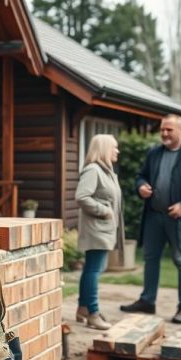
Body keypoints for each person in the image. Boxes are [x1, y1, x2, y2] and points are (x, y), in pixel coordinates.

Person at [120, 114, 181, 324]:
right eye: (162, 129)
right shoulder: (154, 153)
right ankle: (147, 301)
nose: (164, 133)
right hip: (154, 216)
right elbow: (140, 176)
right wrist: (141, 187)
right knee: (150, 258)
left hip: (180, 219)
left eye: (169, 130)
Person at [74, 134, 124, 330]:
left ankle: (84, 308)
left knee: (92, 269)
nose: (117, 151)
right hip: (97, 230)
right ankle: (93, 313)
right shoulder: (93, 170)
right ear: (103, 149)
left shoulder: (107, 171)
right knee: (94, 270)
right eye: (114, 147)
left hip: (103, 230)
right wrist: (104, 210)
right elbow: (81, 196)